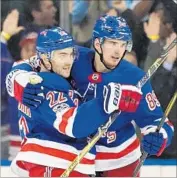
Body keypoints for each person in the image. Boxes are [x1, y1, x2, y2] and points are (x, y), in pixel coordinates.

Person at [6, 16, 174, 177]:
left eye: (123, 44)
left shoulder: (135, 78)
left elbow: (157, 121)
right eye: (113, 43)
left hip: (119, 159)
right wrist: (22, 82)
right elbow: (28, 65)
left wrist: (158, 136)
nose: (118, 50)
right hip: (77, 157)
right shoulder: (73, 57)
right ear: (97, 43)